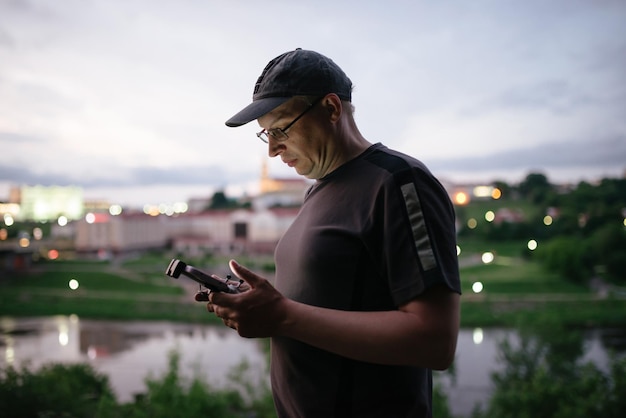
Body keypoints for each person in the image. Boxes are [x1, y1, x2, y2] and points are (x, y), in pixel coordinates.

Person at [204, 48, 461, 418]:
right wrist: (259, 303)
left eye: (281, 129)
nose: (274, 150)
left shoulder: (400, 182)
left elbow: (435, 340)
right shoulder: (318, 190)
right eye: (266, 136)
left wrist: (282, 316)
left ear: (331, 109)